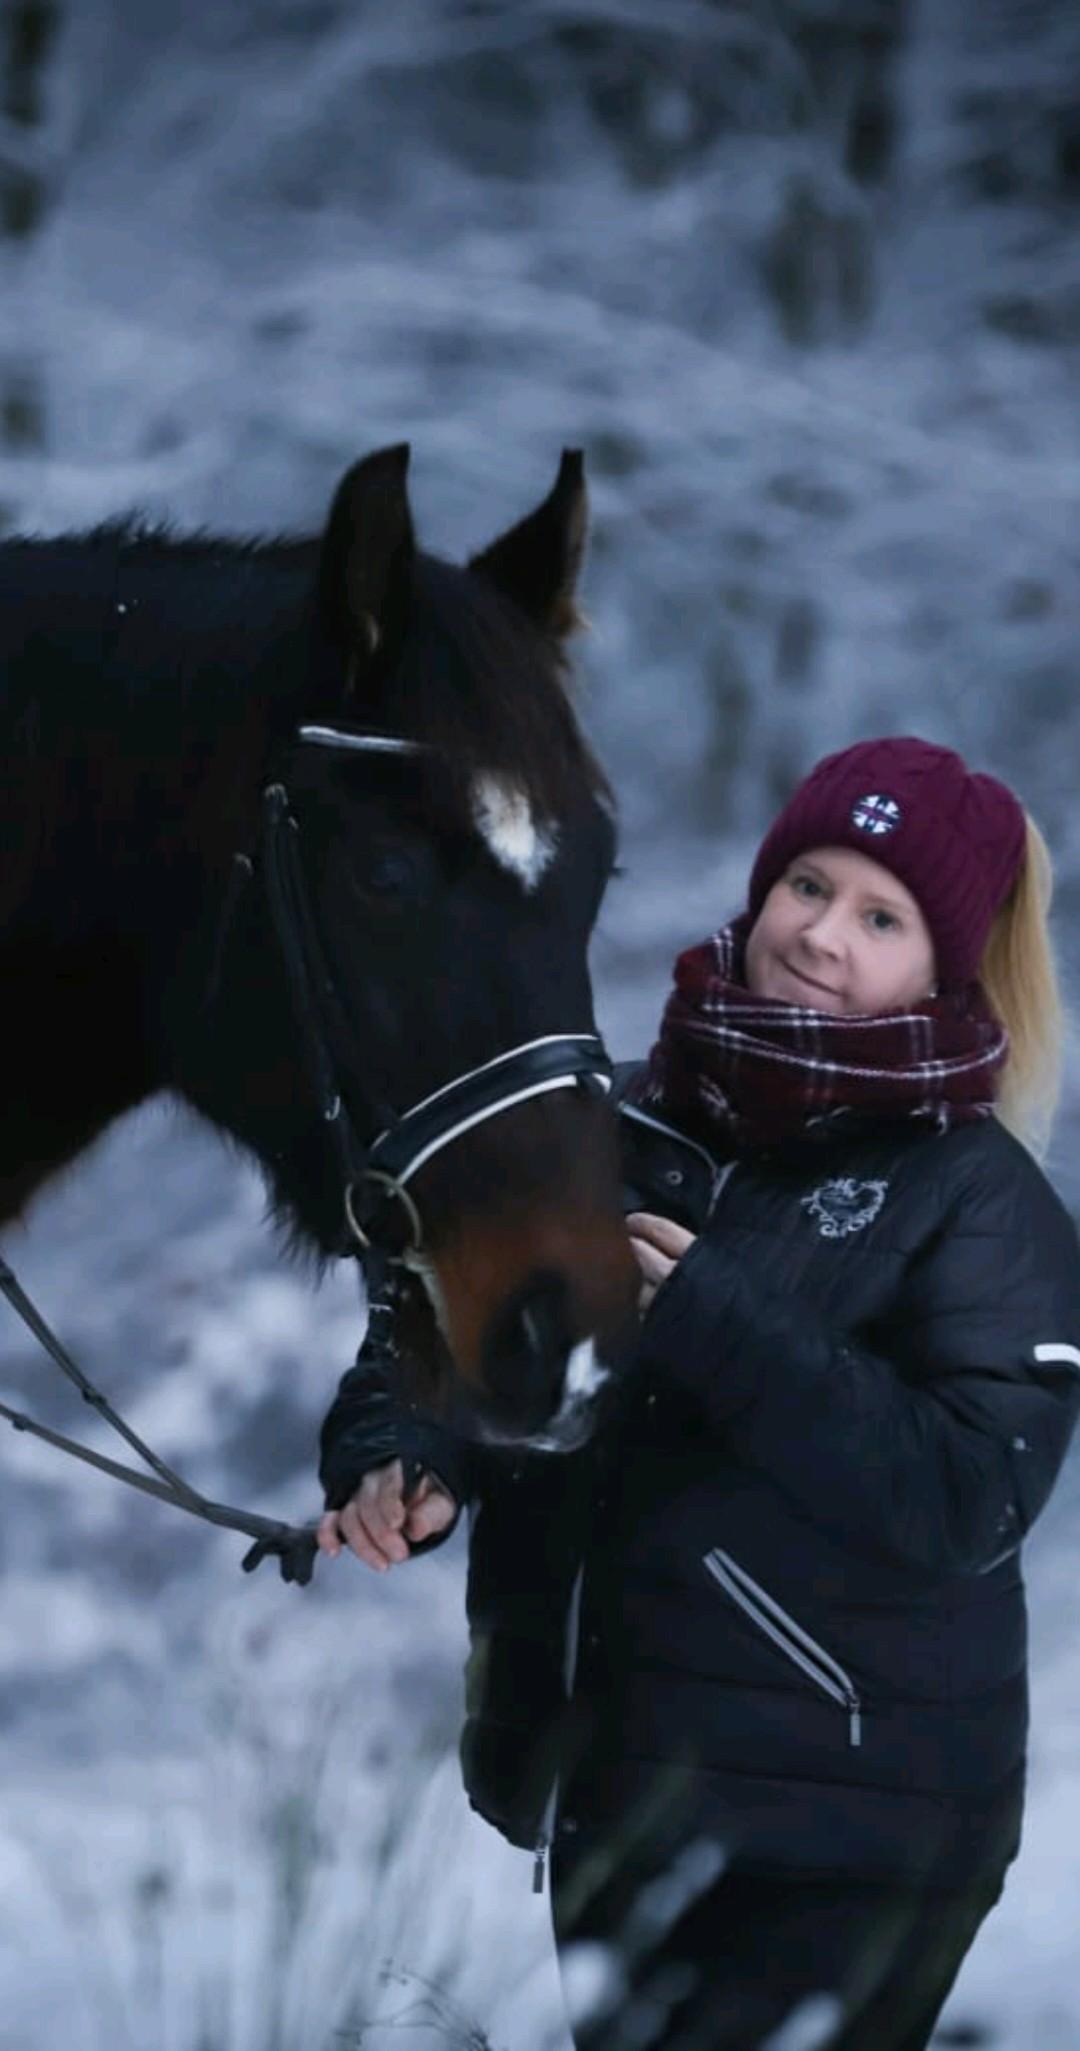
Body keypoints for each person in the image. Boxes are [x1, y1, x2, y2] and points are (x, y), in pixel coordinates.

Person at [316, 736, 1080, 2051]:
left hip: (853, 1834)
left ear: (944, 967)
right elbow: (446, 1339)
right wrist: (403, 1449)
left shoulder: (980, 1195)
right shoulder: (609, 1127)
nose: (825, 935)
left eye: (881, 916)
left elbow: (972, 1495)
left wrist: (715, 1317)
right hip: (616, 1791)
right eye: (810, 888)